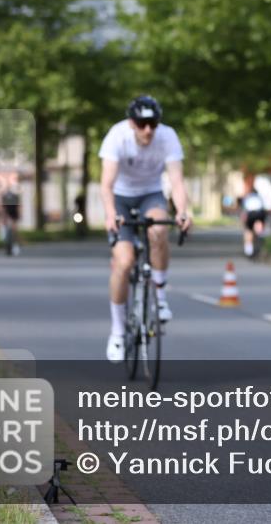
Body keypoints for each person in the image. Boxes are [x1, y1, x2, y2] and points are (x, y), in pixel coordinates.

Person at [99, 96, 192, 363]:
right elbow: (106, 184)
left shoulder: (168, 137)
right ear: (132, 123)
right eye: (142, 124)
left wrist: (183, 211)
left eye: (153, 123)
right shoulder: (117, 136)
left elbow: (176, 180)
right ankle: (117, 332)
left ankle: (160, 297)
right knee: (124, 261)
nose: (148, 130)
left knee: (159, 231)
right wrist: (110, 215)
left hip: (151, 194)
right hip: (120, 197)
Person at [240, 186, 267, 257]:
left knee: (248, 231)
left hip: (250, 214)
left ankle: (248, 250)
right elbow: (263, 208)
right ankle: (260, 234)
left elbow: (244, 211)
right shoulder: (260, 198)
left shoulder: (247, 198)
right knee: (259, 224)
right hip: (259, 214)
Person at [0, 185, 21, 256]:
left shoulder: (5, 197)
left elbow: (3, 208)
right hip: (11, 216)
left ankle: (11, 247)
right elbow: (17, 207)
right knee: (12, 232)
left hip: (9, 216)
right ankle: (13, 247)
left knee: (10, 232)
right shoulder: (15, 196)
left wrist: (3, 218)